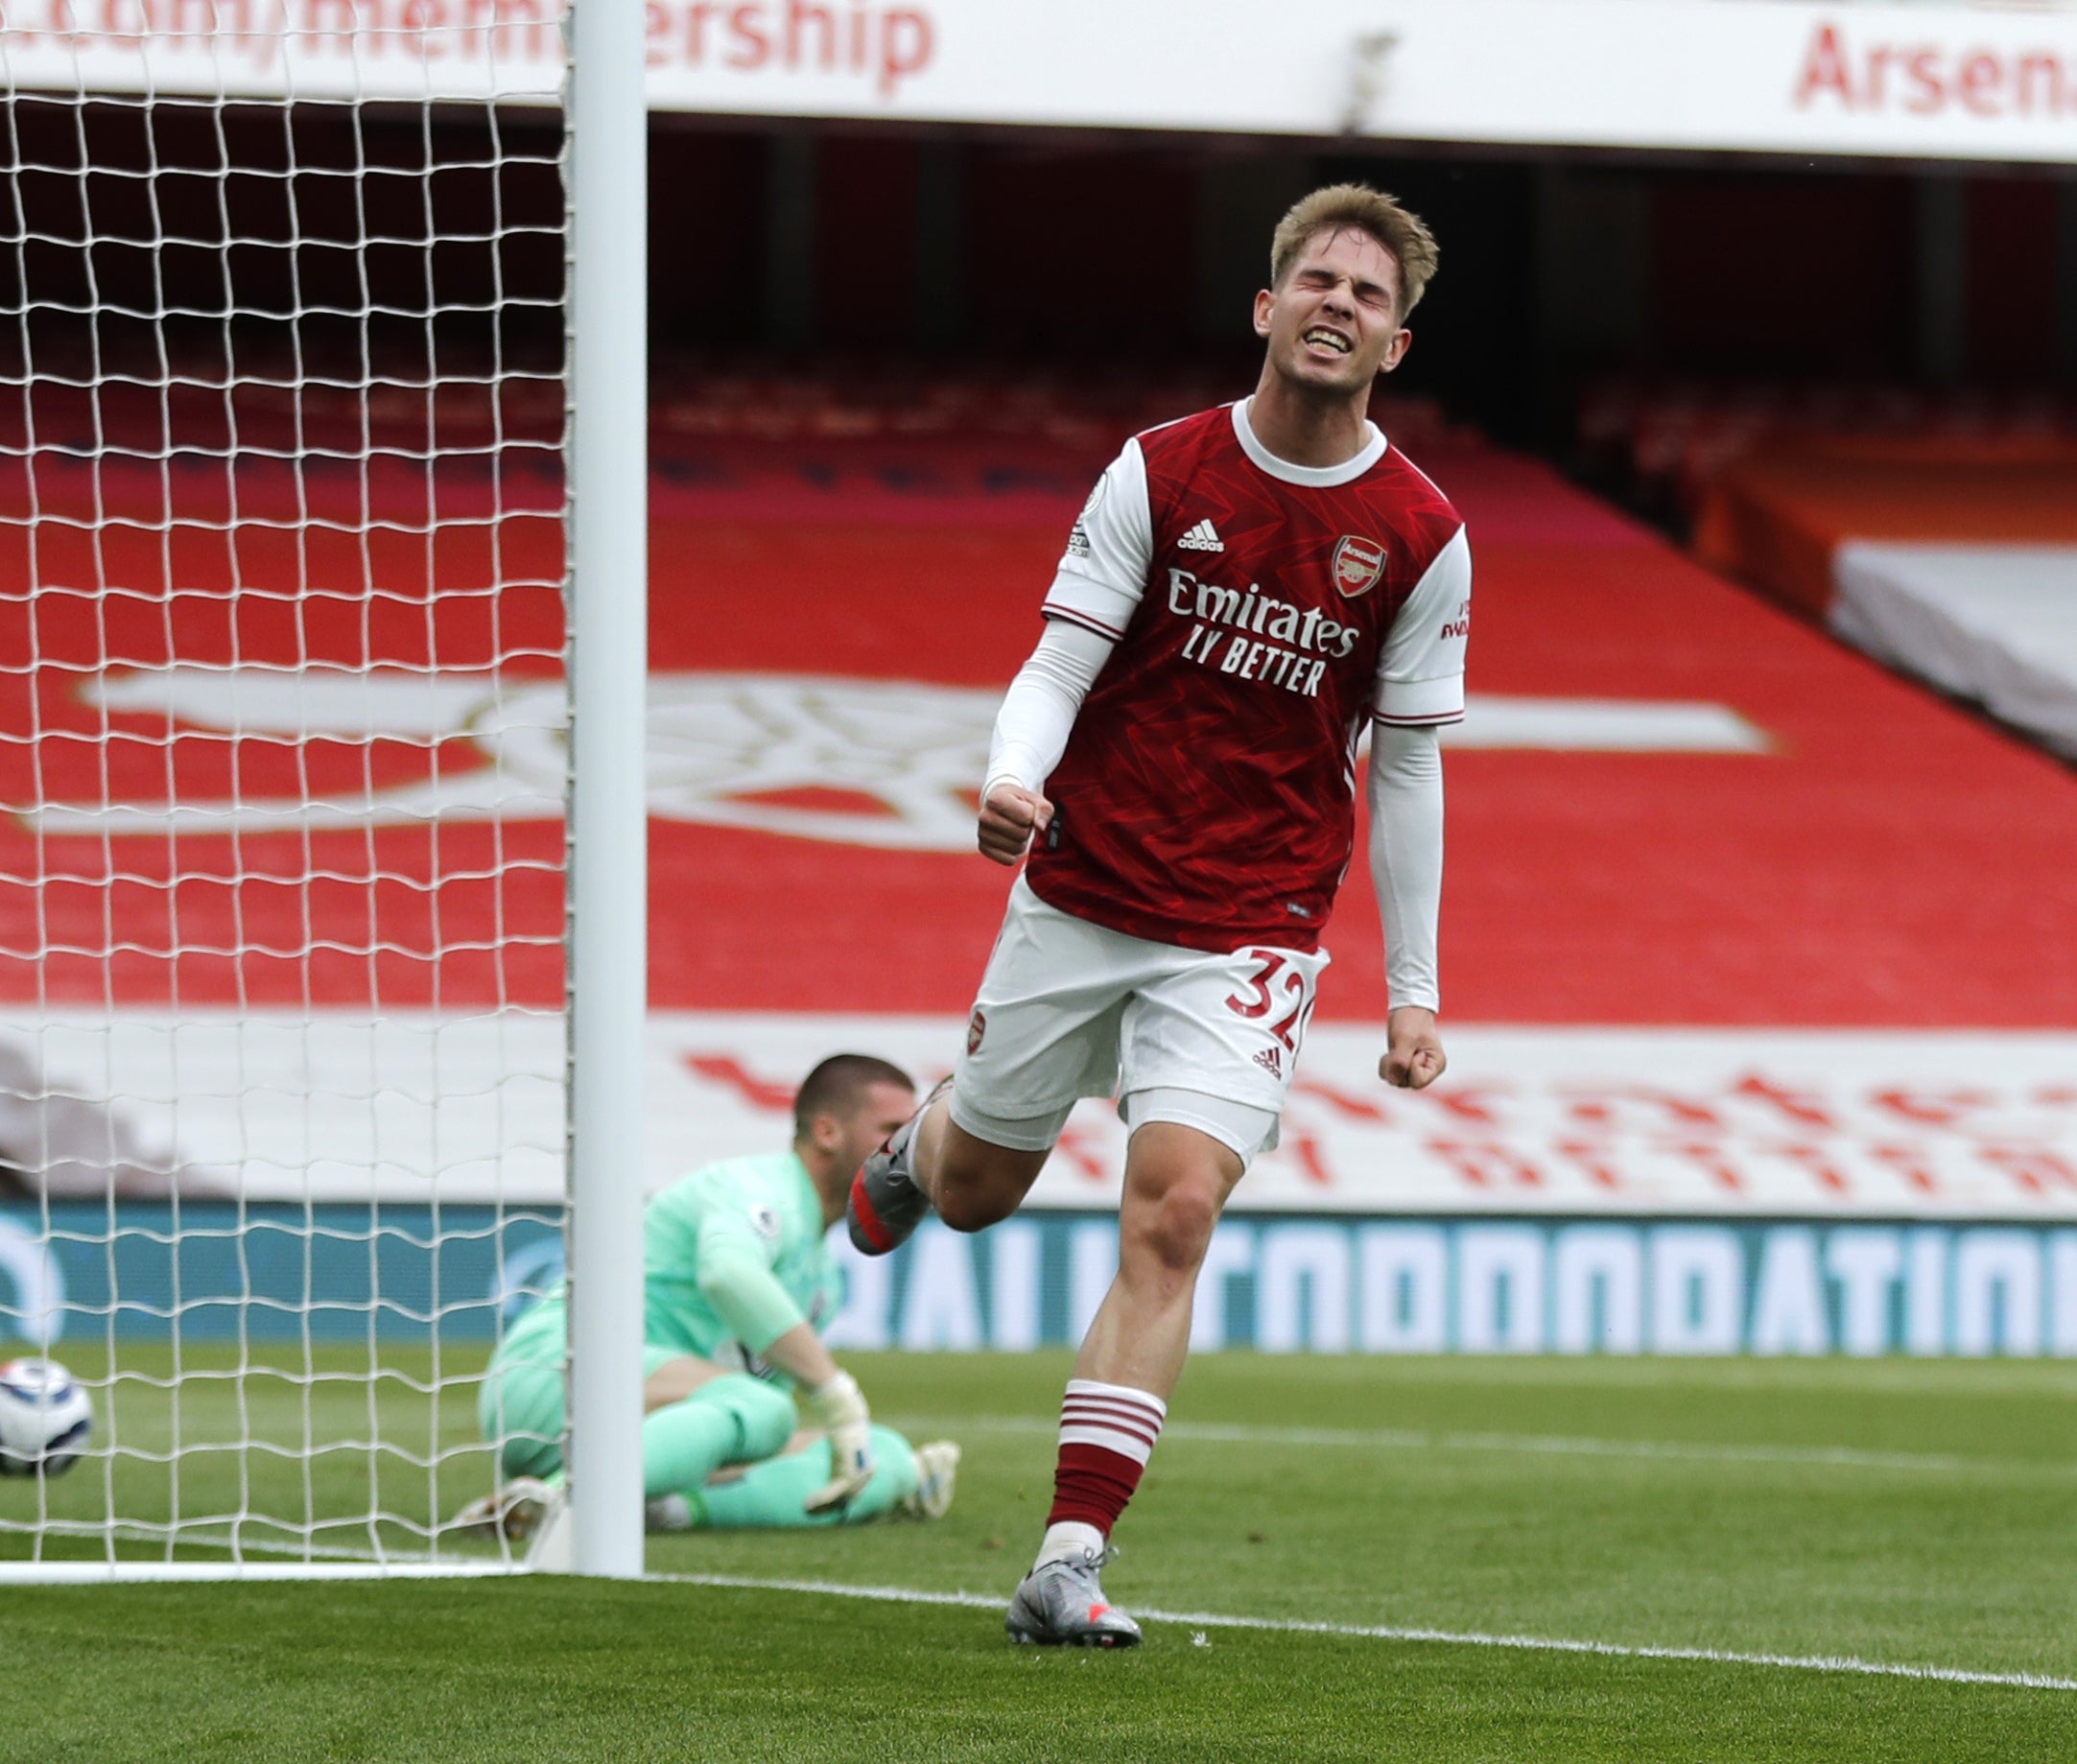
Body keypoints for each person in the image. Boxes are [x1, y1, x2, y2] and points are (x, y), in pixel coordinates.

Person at [845, 185, 1468, 1646]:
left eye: (1366, 295)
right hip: (1083, 886)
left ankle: (1068, 1550)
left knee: (1174, 1205)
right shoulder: (1160, 470)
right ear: (1265, 307)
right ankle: (920, 1142)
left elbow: (1412, 762)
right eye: (1314, 279)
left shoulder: (1421, 533)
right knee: (982, 1187)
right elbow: (1056, 663)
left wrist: (1417, 987)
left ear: (1397, 340)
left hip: (1252, 921)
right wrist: (1012, 775)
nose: (1336, 305)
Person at [459, 1053, 958, 1541]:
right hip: (553, 1377)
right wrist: (834, 1392)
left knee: (883, 1455)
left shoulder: (825, 1280)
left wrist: (865, 1450)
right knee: (766, 1410)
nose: (906, 1150)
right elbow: (727, 1272)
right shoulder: (755, 1188)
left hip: (645, 1433)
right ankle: (564, 1500)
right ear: (828, 1132)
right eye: (891, 1131)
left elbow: (742, 1439)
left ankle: (660, 1508)